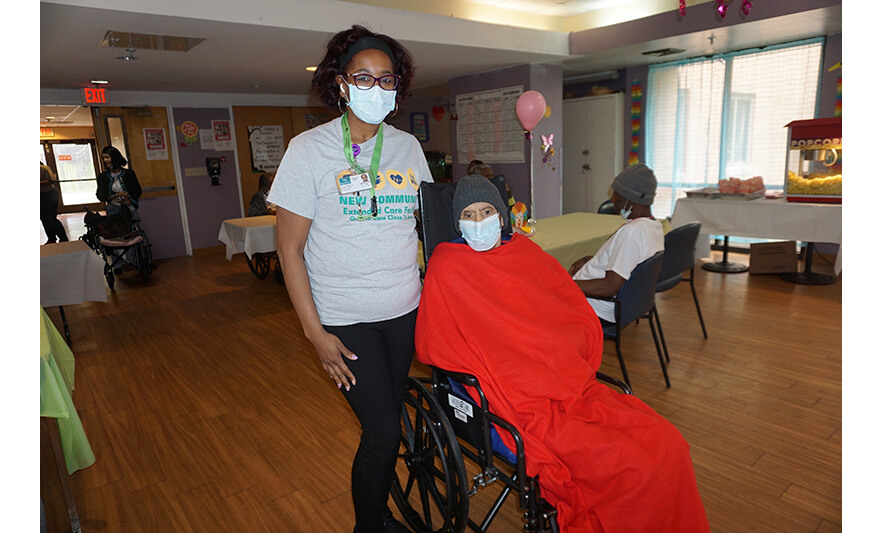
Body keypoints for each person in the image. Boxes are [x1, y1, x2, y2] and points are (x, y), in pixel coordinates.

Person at [415, 175, 709, 533]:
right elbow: (438, 341)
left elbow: (564, 305)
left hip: (564, 380)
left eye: (487, 211)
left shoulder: (523, 251)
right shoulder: (448, 264)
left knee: (668, 445)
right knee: (631, 468)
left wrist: (558, 353)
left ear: (502, 216)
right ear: (457, 222)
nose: (479, 223)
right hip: (513, 391)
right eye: (470, 215)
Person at [267, 25, 432, 533]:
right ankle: (371, 525)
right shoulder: (307, 150)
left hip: (405, 311)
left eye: (387, 79)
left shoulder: (408, 148)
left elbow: (425, 228)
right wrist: (316, 336)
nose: (376, 88)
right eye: (364, 77)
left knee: (390, 421)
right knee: (383, 432)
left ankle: (381, 513)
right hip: (345, 318)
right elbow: (289, 251)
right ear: (340, 83)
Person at [570, 164, 664, 325]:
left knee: (536, 301)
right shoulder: (653, 226)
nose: (612, 199)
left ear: (631, 199)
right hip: (617, 304)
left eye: (617, 194)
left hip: (594, 306)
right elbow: (629, 262)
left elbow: (609, 287)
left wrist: (566, 284)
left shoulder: (632, 233)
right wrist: (592, 261)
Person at [96, 146, 142, 222]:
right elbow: (100, 195)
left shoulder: (129, 173)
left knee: (134, 228)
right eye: (103, 158)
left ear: (114, 158)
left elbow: (137, 191)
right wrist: (114, 196)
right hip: (113, 209)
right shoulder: (102, 177)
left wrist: (128, 197)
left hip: (128, 207)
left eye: (107, 157)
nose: (105, 160)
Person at [40, 163, 69, 244]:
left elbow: (52, 181)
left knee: (51, 218)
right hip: (39, 195)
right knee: (43, 218)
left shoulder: (44, 168)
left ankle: (63, 238)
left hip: (49, 194)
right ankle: (51, 238)